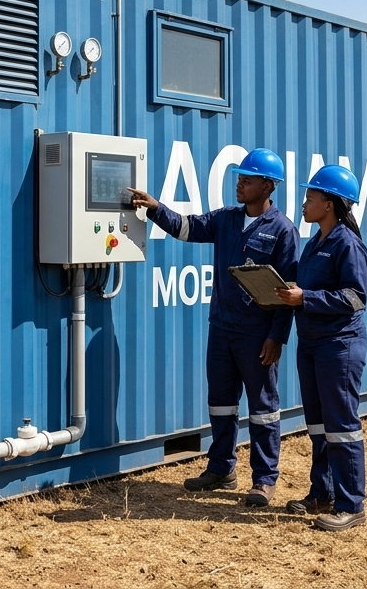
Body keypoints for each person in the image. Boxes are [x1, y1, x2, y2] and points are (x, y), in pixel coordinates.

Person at [127, 148, 298, 507]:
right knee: (221, 403)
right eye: (239, 177)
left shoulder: (283, 231)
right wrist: (156, 209)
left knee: (263, 408)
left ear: (267, 186)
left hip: (257, 334)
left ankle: (264, 480)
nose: (239, 183)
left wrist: (277, 337)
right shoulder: (227, 219)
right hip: (222, 327)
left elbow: (287, 291)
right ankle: (221, 468)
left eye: (247, 179)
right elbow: (187, 228)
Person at [273, 164, 367, 532]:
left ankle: (351, 504)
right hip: (312, 343)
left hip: (338, 346)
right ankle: (323, 491)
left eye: (310, 197)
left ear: (328, 204)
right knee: (318, 425)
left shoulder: (347, 243)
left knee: (342, 427)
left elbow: (355, 296)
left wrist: (306, 297)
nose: (303, 203)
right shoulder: (315, 241)